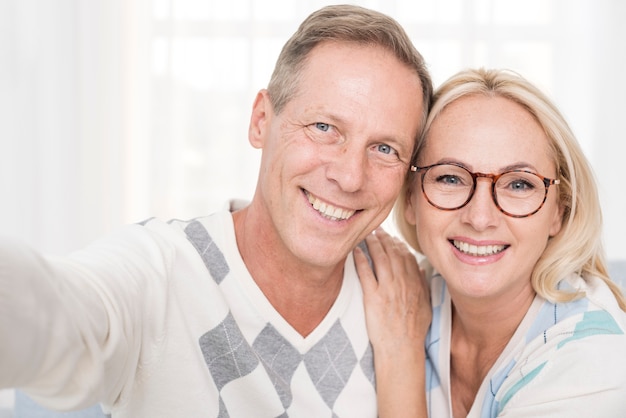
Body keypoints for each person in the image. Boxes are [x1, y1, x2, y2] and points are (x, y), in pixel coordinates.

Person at [0, 5, 433, 418]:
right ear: (261, 120)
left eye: (384, 149)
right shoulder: (159, 272)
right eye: (323, 127)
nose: (350, 176)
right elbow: (59, 314)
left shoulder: (405, 300)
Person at [358, 67, 626, 417]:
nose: (480, 217)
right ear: (410, 198)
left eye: (519, 184)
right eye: (450, 178)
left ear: (559, 211)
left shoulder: (595, 361)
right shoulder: (400, 296)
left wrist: (400, 355)